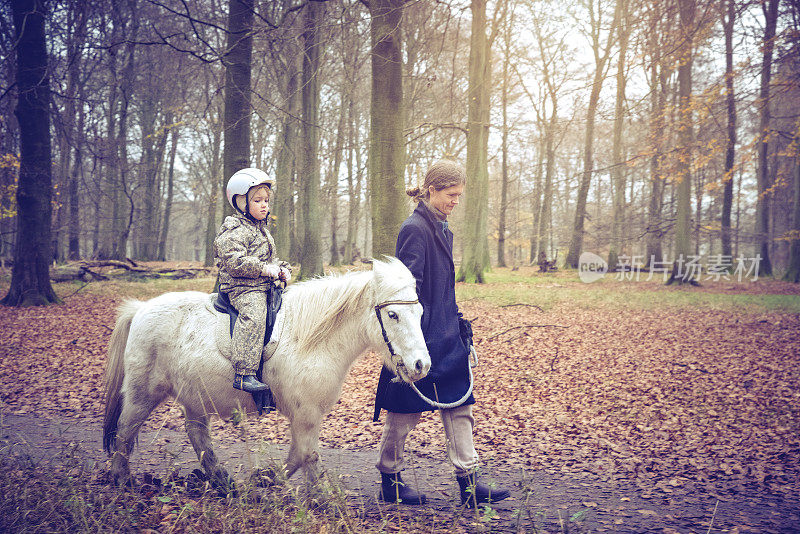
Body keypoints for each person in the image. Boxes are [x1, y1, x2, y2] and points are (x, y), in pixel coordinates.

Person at [373, 160, 511, 506]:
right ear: (432, 190)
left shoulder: (443, 226)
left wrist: (456, 319)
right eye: (451, 194)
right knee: (405, 413)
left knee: (460, 406)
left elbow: (442, 287)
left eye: (459, 196)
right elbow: (407, 291)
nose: (455, 202)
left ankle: (470, 482)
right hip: (420, 339)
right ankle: (390, 479)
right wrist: (417, 336)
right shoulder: (414, 228)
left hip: (448, 336)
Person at [214, 168, 291, 394]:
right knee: (255, 314)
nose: (264, 205)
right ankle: (244, 372)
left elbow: (271, 259)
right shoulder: (234, 229)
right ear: (240, 202)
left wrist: (281, 270)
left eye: (266, 200)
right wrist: (263, 269)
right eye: (257, 200)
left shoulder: (262, 231)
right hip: (242, 288)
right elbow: (234, 261)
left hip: (261, 284)